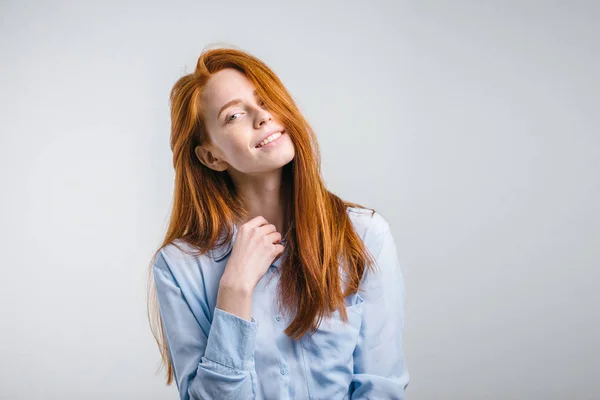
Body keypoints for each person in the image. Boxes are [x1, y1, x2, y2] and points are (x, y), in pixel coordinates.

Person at [147, 46, 410, 400]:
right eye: (234, 116)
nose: (263, 116)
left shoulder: (364, 235)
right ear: (212, 156)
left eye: (266, 100)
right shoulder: (179, 267)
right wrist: (234, 290)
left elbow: (381, 387)